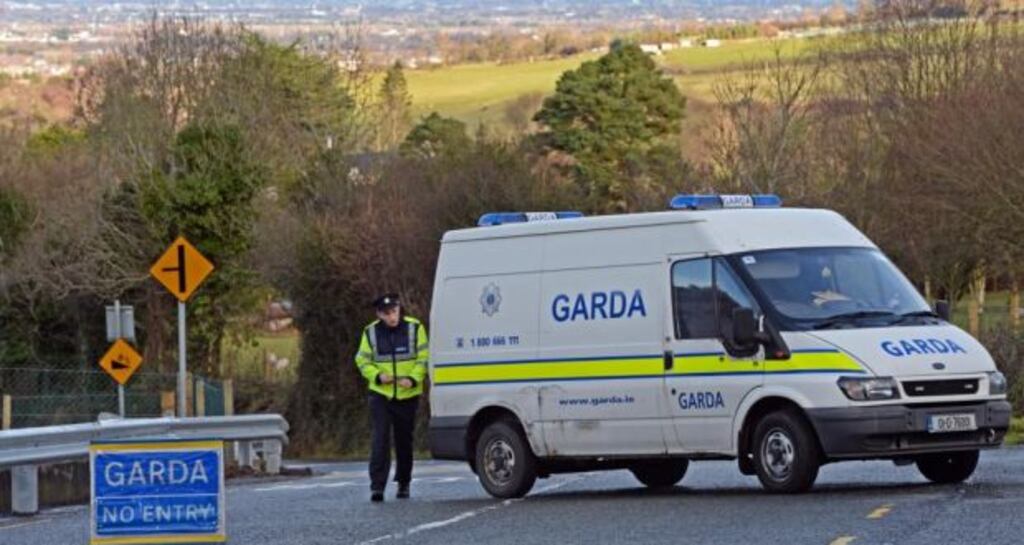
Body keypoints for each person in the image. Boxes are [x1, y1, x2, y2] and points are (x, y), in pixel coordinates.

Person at [354, 293, 429, 502]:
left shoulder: (415, 328)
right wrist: (377, 376)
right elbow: (362, 361)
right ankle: (377, 486)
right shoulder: (370, 333)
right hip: (381, 394)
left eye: (394, 311)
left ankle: (403, 483)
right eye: (387, 313)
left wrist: (414, 379)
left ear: (399, 309)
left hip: (408, 393)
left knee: (404, 440)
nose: (392, 317)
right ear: (379, 314)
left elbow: (424, 358)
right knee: (381, 439)